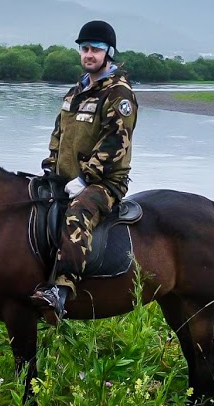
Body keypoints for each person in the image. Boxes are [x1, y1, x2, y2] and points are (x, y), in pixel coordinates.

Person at [30, 20, 138, 324]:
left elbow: (116, 142)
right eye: (85, 48)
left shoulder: (119, 94)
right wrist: (50, 168)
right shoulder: (77, 89)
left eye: (96, 49)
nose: (89, 54)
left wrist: (86, 178)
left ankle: (60, 293)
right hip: (65, 178)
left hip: (104, 183)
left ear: (109, 53)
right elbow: (58, 133)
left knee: (77, 214)